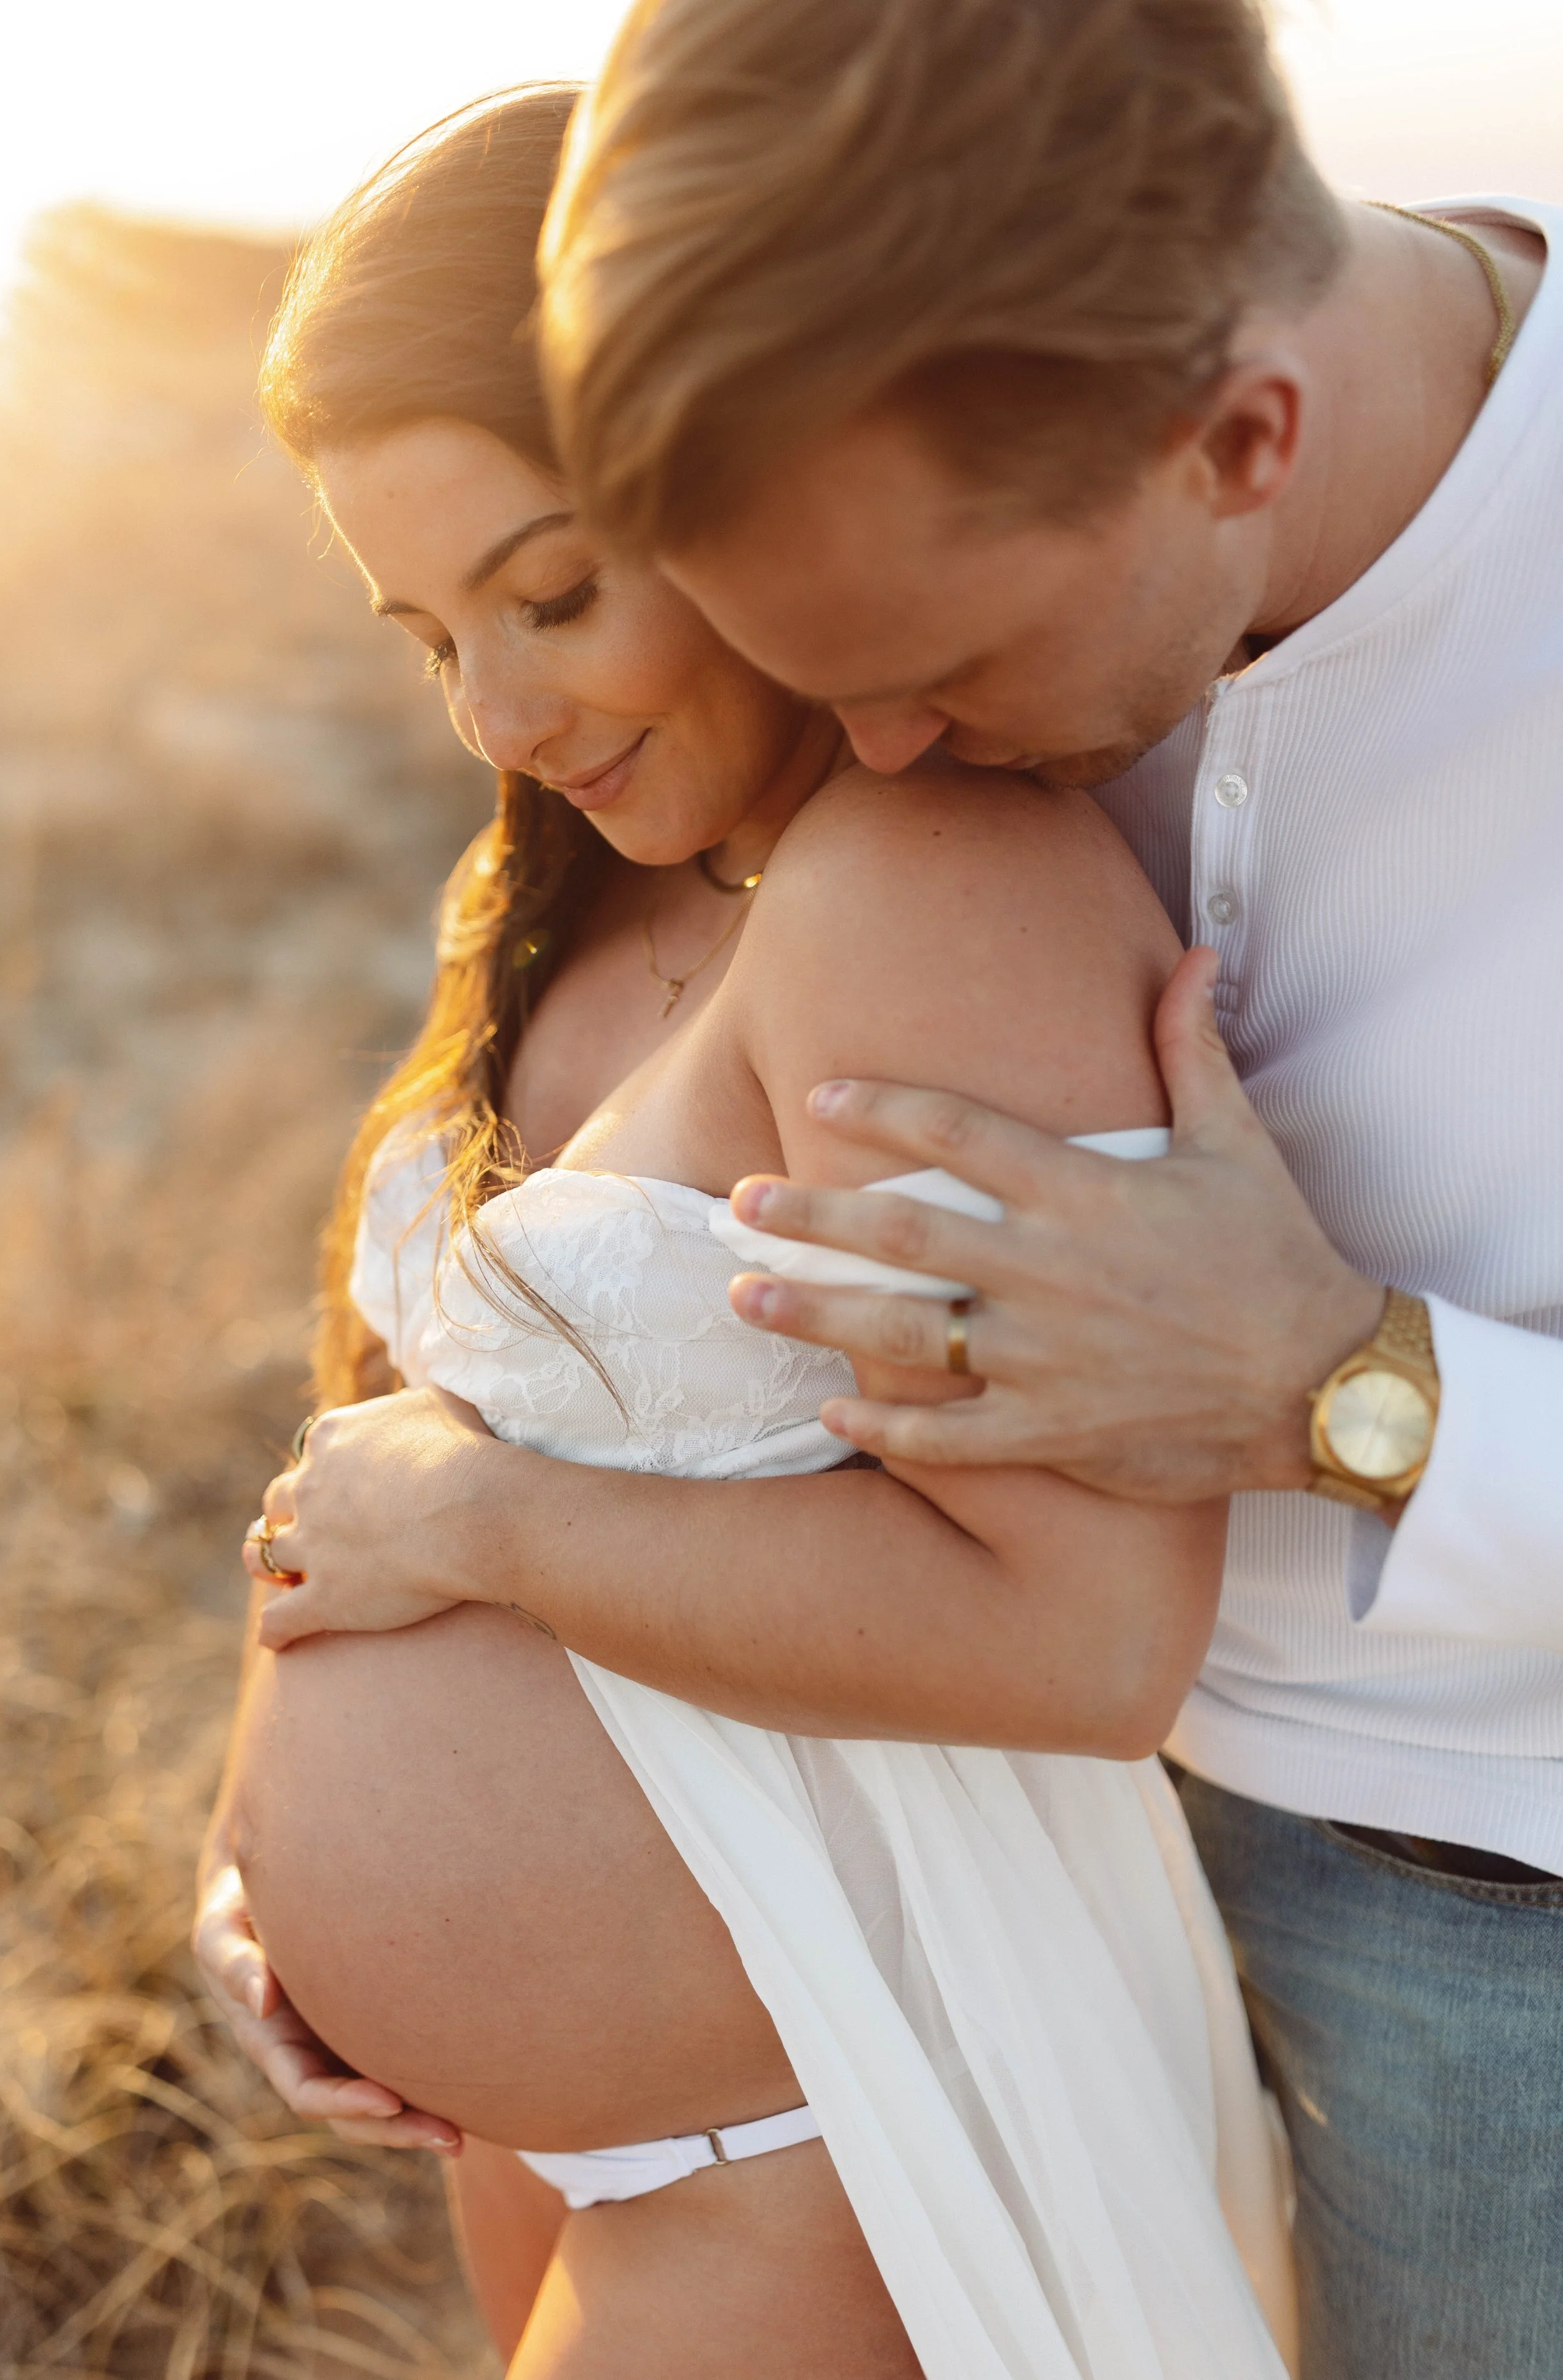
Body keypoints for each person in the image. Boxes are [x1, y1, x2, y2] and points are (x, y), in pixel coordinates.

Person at [260, 5, 1563, 2377]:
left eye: (935, 664)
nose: (879, 743)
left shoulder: (967, 805)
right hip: (1008, 1890)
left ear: (1236, 440)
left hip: (1488, 1906)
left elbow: (1061, 1623)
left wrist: (1357, 1391)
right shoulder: (886, 617)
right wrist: (332, 1873)